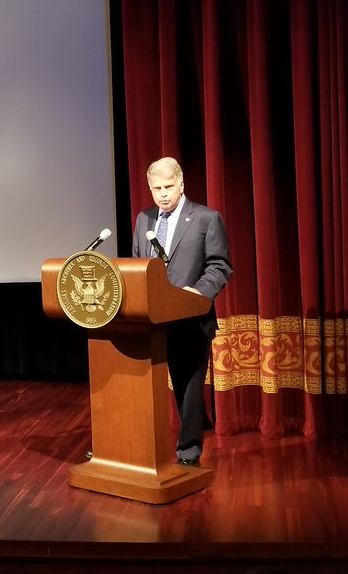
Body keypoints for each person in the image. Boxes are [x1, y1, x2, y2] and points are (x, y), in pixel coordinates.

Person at [131, 157, 232, 467]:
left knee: (188, 388)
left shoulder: (205, 218)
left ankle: (188, 452)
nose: (162, 194)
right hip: (150, 319)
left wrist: (198, 292)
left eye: (168, 187)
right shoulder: (144, 219)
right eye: (156, 188)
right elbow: (137, 264)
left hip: (189, 318)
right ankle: (135, 448)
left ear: (182, 184)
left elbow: (219, 265)